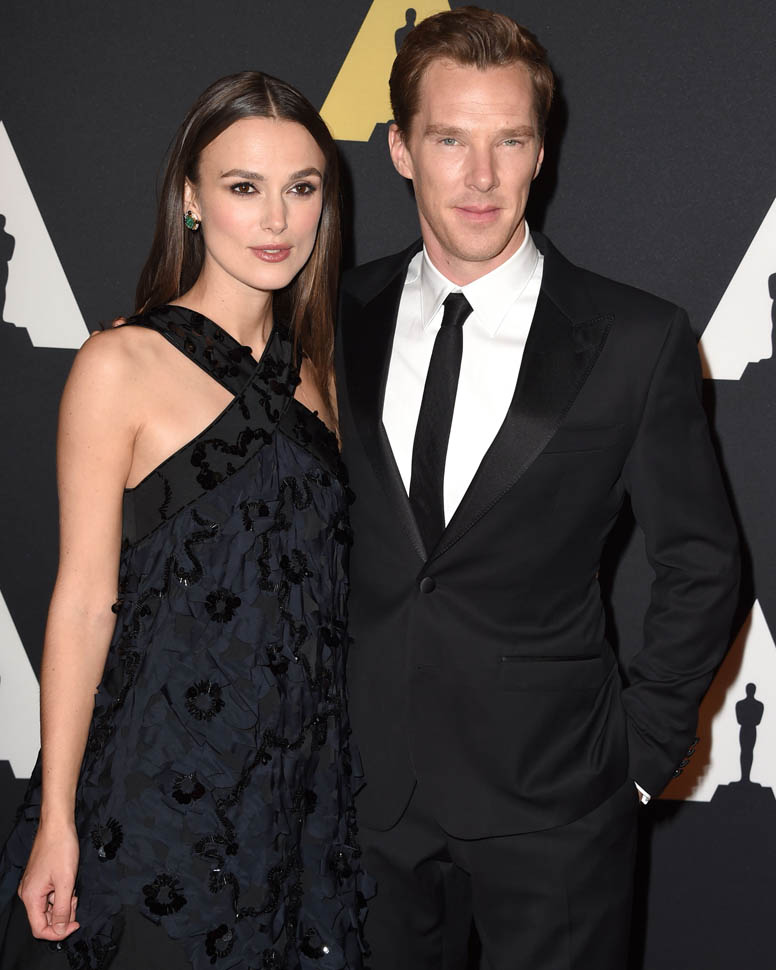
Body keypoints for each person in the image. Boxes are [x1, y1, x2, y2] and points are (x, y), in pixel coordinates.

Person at [334, 8, 739, 970]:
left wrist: (640, 759)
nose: (481, 177)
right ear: (400, 150)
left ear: (541, 152)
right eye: (450, 140)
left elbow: (702, 561)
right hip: (365, 795)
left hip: (559, 801)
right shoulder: (336, 315)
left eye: (509, 140)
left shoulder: (636, 338)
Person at [0, 71, 370, 970]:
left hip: (296, 802)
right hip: (156, 797)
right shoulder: (120, 363)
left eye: (301, 188)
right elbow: (84, 602)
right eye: (245, 187)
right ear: (192, 200)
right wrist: (57, 820)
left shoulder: (323, 378)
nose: (277, 219)